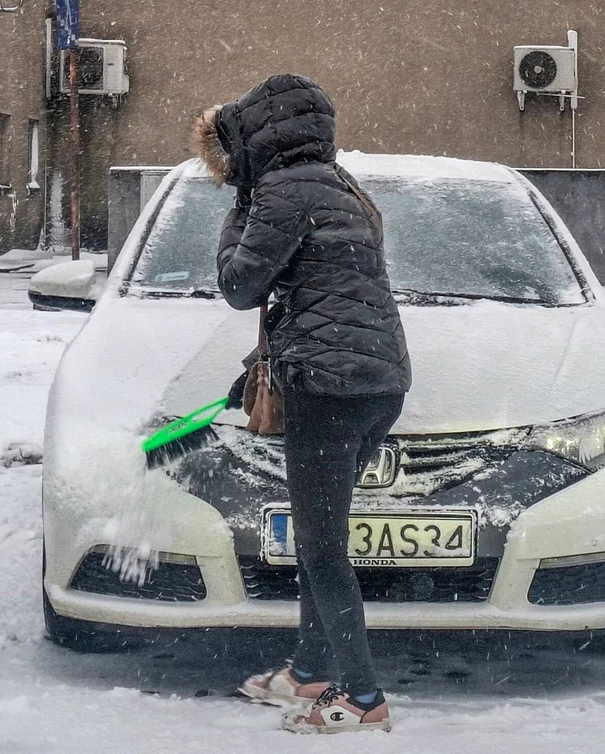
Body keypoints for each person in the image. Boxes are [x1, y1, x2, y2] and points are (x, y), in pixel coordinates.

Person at [193, 74, 412, 734]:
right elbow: (322, 294)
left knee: (321, 549)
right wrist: (262, 368)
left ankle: (361, 697)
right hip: (379, 385)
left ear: (253, 142)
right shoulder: (342, 186)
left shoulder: (280, 192)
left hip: (328, 392)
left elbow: (239, 284)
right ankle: (311, 669)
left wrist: (239, 208)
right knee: (324, 537)